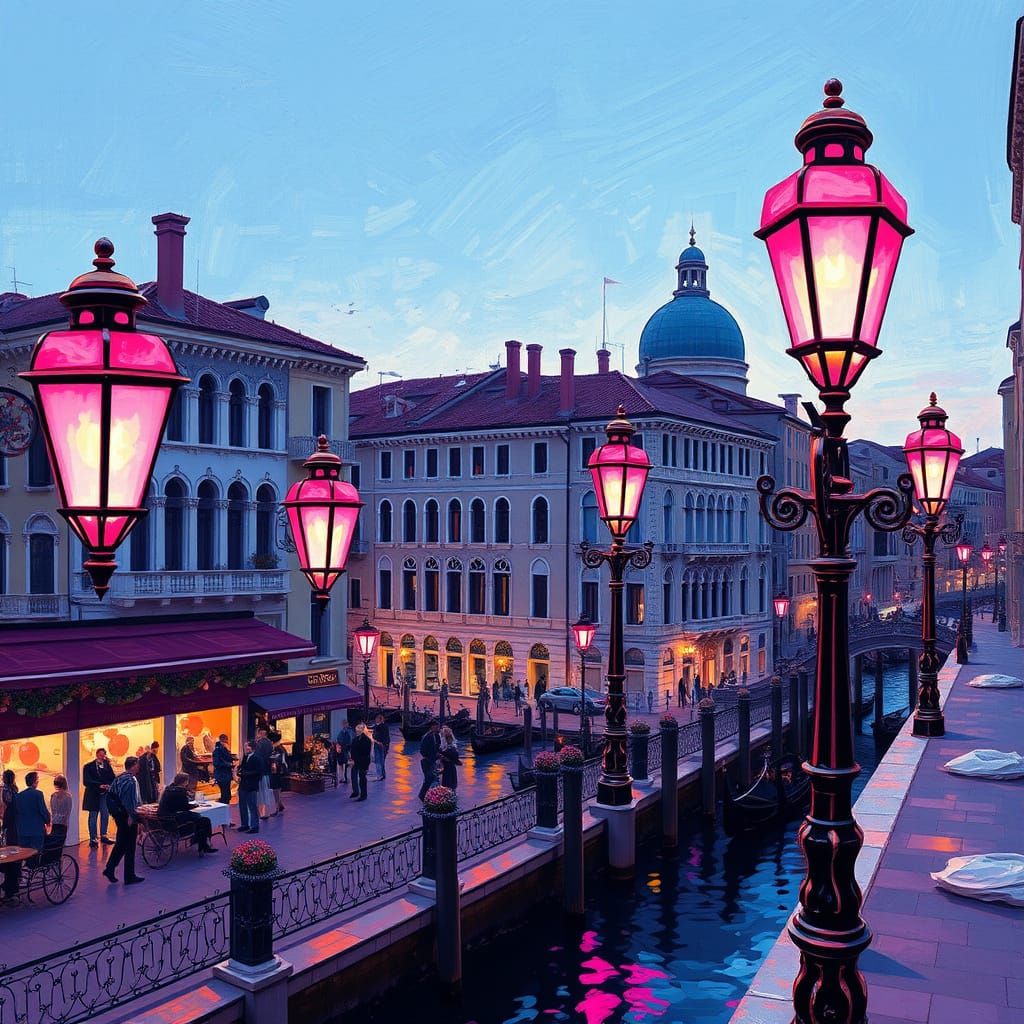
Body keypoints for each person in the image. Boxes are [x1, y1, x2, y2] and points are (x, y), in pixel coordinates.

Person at [103, 757, 144, 885]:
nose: (139, 766)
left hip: (118, 814)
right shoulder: (131, 780)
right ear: (133, 765)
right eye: (137, 764)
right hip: (127, 815)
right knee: (130, 845)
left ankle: (110, 868)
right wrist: (132, 816)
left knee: (121, 842)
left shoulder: (119, 777)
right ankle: (129, 875)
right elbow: (130, 800)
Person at [158, 772, 218, 854]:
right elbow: (184, 807)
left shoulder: (168, 789)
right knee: (204, 820)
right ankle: (205, 845)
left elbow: (178, 805)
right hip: (175, 819)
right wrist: (194, 806)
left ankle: (200, 843)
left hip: (165, 817)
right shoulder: (180, 792)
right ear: (185, 782)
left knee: (199, 819)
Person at [83, 747, 115, 848]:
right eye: (100, 754)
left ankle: (104, 835)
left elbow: (112, 778)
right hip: (93, 794)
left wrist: (108, 785)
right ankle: (93, 838)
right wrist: (99, 785)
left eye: (103, 755)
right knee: (93, 816)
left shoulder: (107, 766)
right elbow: (86, 781)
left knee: (105, 814)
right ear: (97, 754)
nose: (102, 756)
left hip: (104, 794)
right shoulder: (88, 766)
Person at [14, 773, 49, 854]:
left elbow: (17, 812)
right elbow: (42, 810)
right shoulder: (38, 794)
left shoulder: (19, 795)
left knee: (24, 854)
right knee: (36, 853)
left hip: (22, 830)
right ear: (35, 782)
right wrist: (47, 821)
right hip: (36, 830)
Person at [236, 741, 264, 834]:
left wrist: (244, 774)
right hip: (243, 784)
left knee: (252, 805)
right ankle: (244, 824)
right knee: (242, 805)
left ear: (251, 748)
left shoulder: (257, 757)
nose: (245, 748)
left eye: (246, 746)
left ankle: (255, 826)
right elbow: (243, 767)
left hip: (251, 785)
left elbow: (258, 771)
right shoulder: (245, 756)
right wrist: (239, 770)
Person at [417, 720, 441, 801]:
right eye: (436, 726)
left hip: (434, 759)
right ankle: (423, 795)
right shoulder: (427, 737)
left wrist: (437, 754)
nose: (438, 728)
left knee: (431, 778)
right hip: (428, 760)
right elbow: (422, 750)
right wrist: (429, 756)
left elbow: (438, 746)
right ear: (432, 727)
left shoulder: (437, 736)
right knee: (429, 779)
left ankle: (426, 795)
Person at [254, 728, 274, 820]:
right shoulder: (270, 743)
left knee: (260, 792)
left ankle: (261, 813)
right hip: (267, 769)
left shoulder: (260, 744)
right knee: (266, 790)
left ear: (260, 733)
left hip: (260, 770)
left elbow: (257, 757)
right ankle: (266, 812)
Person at [212, 734, 236, 807]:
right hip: (222, 774)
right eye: (226, 740)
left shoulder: (223, 749)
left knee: (226, 792)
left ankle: (225, 807)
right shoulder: (218, 750)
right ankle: (223, 808)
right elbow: (217, 763)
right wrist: (229, 764)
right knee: (225, 793)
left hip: (225, 774)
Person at [350, 723, 372, 801]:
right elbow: (352, 749)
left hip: (362, 762)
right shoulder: (355, 739)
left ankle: (363, 795)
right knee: (353, 776)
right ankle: (355, 791)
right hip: (355, 761)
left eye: (358, 730)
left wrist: (366, 764)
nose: (356, 731)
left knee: (362, 778)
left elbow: (366, 753)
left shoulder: (366, 740)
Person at [49, 775, 73, 843]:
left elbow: (53, 810)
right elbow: (68, 811)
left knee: (53, 841)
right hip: (63, 822)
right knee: (60, 842)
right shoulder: (68, 797)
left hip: (55, 821)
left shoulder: (53, 795)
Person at [268, 733, 287, 814]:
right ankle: (279, 805)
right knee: (277, 789)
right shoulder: (280, 748)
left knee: (276, 789)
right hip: (280, 771)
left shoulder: (277, 749)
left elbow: (276, 762)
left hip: (277, 772)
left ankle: (277, 808)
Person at [371, 713, 390, 781]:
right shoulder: (384, 726)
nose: (376, 720)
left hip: (380, 744)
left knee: (379, 760)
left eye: (377, 719)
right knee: (381, 761)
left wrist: (374, 737)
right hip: (384, 745)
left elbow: (377, 736)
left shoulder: (379, 727)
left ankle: (380, 775)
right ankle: (382, 775)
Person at [1, 769, 17, 846]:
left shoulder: (5, 789)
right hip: (13, 816)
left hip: (7, 815)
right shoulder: (14, 789)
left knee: (7, 837)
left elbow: (8, 801)